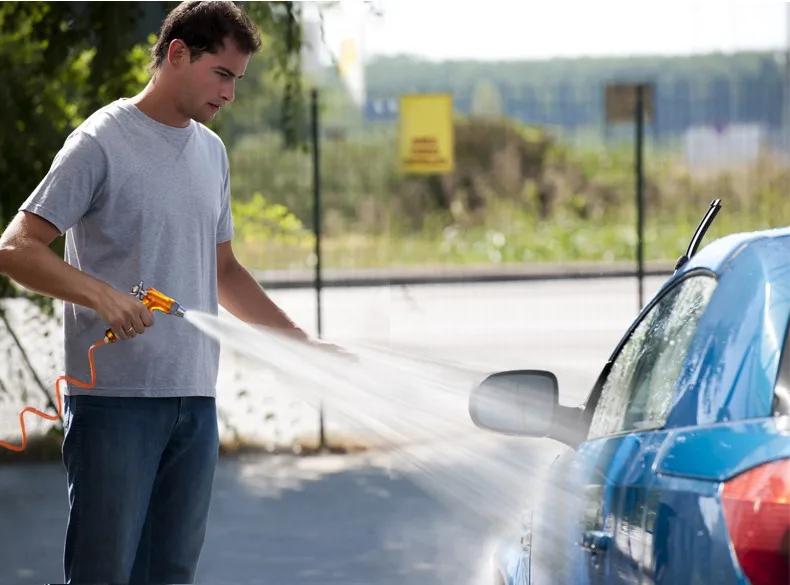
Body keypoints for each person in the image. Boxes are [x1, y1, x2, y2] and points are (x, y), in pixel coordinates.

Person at [0, 2, 337, 583]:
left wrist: (297, 341)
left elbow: (224, 270)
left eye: (238, 80)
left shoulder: (212, 153)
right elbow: (16, 247)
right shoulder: (101, 141)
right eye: (223, 75)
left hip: (195, 404)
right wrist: (100, 295)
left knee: (171, 572)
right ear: (178, 53)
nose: (230, 94)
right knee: (104, 572)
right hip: (115, 406)